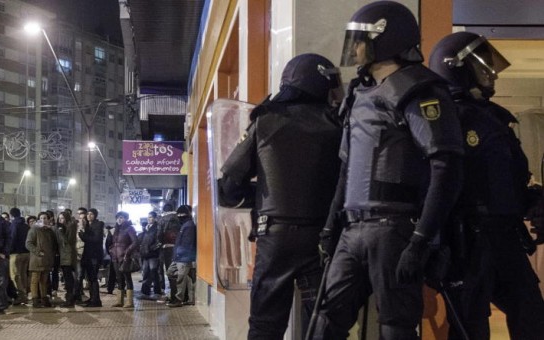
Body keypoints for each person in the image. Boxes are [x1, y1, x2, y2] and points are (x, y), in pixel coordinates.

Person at [313, 2, 464, 339]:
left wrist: (422, 240)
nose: (354, 48)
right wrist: (329, 226)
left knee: (395, 324)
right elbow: (347, 168)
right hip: (353, 230)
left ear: (387, 39)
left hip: (395, 227)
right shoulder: (358, 93)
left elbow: (446, 165)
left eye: (361, 39)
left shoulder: (419, 89)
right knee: (327, 317)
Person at [217, 53, 343, 338]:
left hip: (275, 236)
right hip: (323, 238)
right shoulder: (337, 123)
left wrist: (259, 194)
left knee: (265, 325)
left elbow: (230, 185)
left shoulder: (265, 119)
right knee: (320, 325)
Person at [429, 31, 544, 340]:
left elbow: (513, 179)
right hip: (467, 241)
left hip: (505, 237)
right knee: (470, 328)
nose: (492, 74)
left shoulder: (497, 119)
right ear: (457, 68)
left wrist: (534, 201)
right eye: (483, 67)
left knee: (533, 317)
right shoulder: (442, 119)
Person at [166, 205, 197, 308]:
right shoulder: (185, 225)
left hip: (183, 258)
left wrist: (178, 254)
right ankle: (184, 297)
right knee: (171, 272)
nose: (178, 217)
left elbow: (186, 243)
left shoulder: (188, 226)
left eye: (179, 215)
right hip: (179, 257)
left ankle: (179, 299)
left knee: (181, 279)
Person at [26, 211, 58, 308]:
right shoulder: (34, 229)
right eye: (41, 218)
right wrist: (37, 252)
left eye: (45, 218)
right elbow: (28, 243)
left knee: (44, 281)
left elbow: (53, 245)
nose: (43, 220)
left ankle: (44, 298)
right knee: (35, 280)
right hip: (37, 259)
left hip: (47, 259)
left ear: (48, 220)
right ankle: (35, 299)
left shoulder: (49, 231)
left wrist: (52, 255)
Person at [109, 211, 139, 308]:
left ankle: (130, 302)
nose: (119, 219)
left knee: (127, 278)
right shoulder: (116, 229)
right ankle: (119, 301)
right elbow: (112, 242)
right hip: (115, 257)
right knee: (119, 279)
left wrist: (127, 251)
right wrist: (111, 250)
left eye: (121, 217)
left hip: (125, 257)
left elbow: (135, 242)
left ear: (126, 218)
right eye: (117, 218)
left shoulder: (129, 228)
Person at [78, 208, 104, 307]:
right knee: (90, 278)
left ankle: (96, 300)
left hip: (95, 255)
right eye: (88, 214)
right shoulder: (88, 225)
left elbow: (96, 239)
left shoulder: (99, 224)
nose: (89, 216)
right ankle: (92, 298)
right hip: (88, 255)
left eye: (91, 214)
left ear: (95, 215)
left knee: (93, 278)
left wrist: (83, 236)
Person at [9, 207, 30, 305]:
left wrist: (8, 250)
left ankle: (22, 296)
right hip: (26, 253)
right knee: (23, 275)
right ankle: (25, 293)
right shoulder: (26, 225)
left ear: (11, 215)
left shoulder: (14, 224)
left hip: (16, 253)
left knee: (15, 275)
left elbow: (12, 238)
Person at [56, 210, 78, 307]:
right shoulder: (63, 227)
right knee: (67, 278)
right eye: (60, 218)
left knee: (69, 279)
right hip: (63, 256)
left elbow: (67, 243)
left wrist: (60, 232)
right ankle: (70, 298)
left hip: (68, 256)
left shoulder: (70, 227)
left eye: (63, 218)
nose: (61, 220)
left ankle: (70, 300)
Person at [157, 203, 180, 294]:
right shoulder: (178, 218)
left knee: (170, 270)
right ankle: (181, 294)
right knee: (179, 271)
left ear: (164, 210)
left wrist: (161, 243)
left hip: (167, 248)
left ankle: (173, 294)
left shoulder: (162, 220)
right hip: (179, 247)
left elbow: (159, 234)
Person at [139, 211, 163, 298]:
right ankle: (145, 292)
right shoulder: (146, 228)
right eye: (148, 217)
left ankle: (157, 291)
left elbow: (159, 241)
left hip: (153, 254)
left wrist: (151, 249)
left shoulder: (157, 228)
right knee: (145, 272)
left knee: (154, 272)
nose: (149, 219)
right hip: (145, 254)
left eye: (151, 217)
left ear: (155, 218)